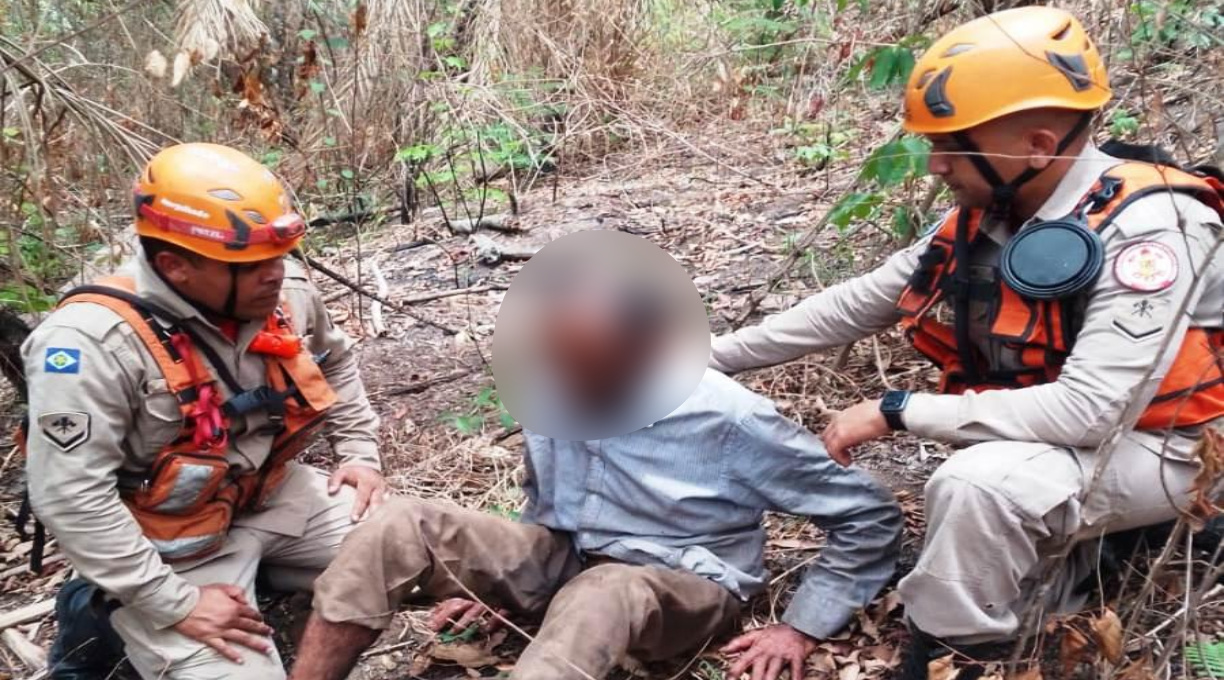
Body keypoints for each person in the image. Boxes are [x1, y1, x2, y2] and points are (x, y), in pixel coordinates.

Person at [710, 5, 1224, 678]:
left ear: (1038, 146)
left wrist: (900, 410)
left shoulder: (1151, 229)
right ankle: (1080, 561)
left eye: (952, 145)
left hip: (1169, 446)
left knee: (977, 486)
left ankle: (959, 655)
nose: (934, 165)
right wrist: (702, 355)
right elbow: (858, 301)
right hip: (1071, 439)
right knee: (991, 489)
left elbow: (1090, 413)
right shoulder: (999, 211)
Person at [287, 270, 903, 680]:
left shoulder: (728, 419)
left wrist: (800, 626)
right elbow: (542, 501)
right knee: (399, 525)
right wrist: (479, 580)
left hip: (680, 584)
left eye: (593, 374)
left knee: (603, 592)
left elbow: (867, 515)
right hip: (569, 556)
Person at [22, 143, 385, 680]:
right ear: (175, 266)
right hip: (166, 544)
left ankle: (263, 572)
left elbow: (334, 360)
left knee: (403, 553)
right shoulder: (89, 346)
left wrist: (359, 452)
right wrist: (174, 602)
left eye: (279, 257)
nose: (276, 275)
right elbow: (71, 496)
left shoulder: (284, 295)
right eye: (253, 264)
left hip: (267, 496)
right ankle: (102, 612)